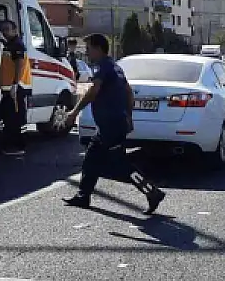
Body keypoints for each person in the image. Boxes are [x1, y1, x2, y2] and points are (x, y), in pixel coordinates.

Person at [62, 33, 165, 213]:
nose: (87, 53)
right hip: (114, 123)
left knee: (120, 165)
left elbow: (93, 91)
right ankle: (83, 195)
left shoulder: (103, 67)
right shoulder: (115, 67)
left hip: (111, 125)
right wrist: (129, 117)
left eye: (89, 49)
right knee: (92, 157)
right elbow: (129, 92)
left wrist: (74, 112)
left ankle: (152, 192)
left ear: (98, 49)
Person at [0, 20, 32, 156]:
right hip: (10, 88)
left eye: (7, 29)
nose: (5, 32)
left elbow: (20, 64)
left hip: (16, 88)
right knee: (7, 115)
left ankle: (18, 146)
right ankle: (10, 144)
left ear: (15, 30)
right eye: (3, 29)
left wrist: (15, 83)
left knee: (15, 118)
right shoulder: (11, 44)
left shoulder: (17, 44)